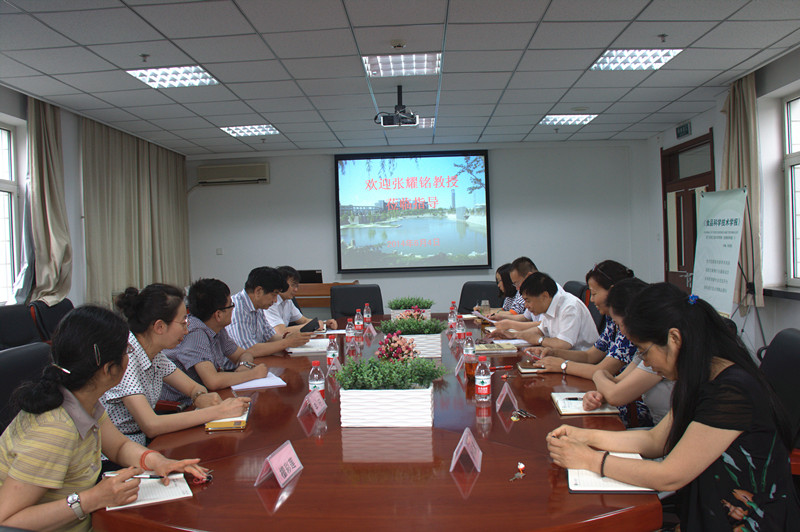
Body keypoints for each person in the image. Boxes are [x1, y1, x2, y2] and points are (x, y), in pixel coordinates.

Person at [546, 283, 800, 530]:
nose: (645, 362)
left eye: (644, 351)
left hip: (749, 521)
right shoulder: (696, 375)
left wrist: (590, 459)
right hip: (709, 510)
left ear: (674, 338)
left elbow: (669, 475)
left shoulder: (731, 391)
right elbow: (655, 440)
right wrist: (584, 436)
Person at [0, 306, 209, 532]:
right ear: (109, 369)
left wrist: (158, 461)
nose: (130, 358)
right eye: (127, 351)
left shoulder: (83, 399)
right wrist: (92, 499)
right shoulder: (55, 429)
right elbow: (5, 520)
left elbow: (118, 447)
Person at [102, 284, 250, 445]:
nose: (186, 330)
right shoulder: (127, 357)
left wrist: (199, 397)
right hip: (119, 449)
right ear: (159, 326)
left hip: (141, 442)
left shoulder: (155, 354)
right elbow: (151, 425)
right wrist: (218, 411)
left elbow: (193, 388)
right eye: (183, 322)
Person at [526, 261, 648, 425]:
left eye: (594, 293)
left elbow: (603, 370)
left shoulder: (631, 326)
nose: (592, 300)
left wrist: (562, 365)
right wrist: (554, 353)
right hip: (610, 390)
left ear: (612, 292)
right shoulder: (613, 321)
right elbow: (591, 356)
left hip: (628, 402)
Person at [160, 278, 270, 405]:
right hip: (179, 405)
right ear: (218, 315)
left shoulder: (217, 328)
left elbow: (243, 354)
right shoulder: (195, 333)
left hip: (202, 396)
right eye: (231, 305)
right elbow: (212, 381)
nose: (233, 309)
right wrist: (253, 374)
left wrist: (244, 366)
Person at [583, 278, 674, 425]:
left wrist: (598, 374)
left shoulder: (659, 350)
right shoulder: (646, 347)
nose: (622, 332)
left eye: (620, 324)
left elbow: (615, 394)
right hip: (657, 431)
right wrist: (598, 394)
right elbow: (618, 381)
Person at [227, 266, 312, 356]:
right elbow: (248, 350)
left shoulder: (258, 306)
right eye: (274, 295)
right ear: (258, 291)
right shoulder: (237, 309)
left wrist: (289, 337)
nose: (275, 300)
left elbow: (270, 336)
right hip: (238, 364)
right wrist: (287, 342)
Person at [506, 272, 598, 350]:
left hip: (581, 360)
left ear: (544, 296)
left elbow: (564, 344)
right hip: (562, 357)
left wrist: (539, 340)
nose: (526, 306)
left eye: (528, 301)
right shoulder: (549, 305)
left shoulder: (570, 307)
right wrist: (515, 335)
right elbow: (540, 330)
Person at [265, 266, 337, 335]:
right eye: (293, 285)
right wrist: (312, 325)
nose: (296, 289)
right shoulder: (270, 303)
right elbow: (280, 332)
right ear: (281, 284)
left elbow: (304, 320)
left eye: (297, 286)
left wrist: (325, 323)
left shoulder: (288, 301)